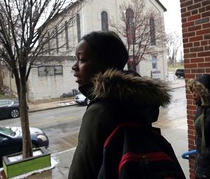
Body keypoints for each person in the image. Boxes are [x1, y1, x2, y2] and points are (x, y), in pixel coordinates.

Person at [68, 31, 172, 179]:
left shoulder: (100, 111)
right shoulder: (136, 102)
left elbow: (82, 172)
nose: (74, 67)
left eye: (82, 59)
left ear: (104, 64)